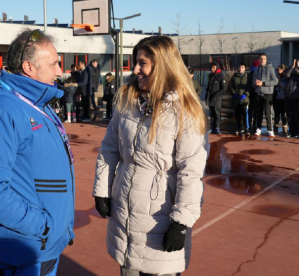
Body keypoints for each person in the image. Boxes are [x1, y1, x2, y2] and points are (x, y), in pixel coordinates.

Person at [93, 35, 208, 276]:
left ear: (162, 65)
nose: (135, 69)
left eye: (142, 63)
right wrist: (102, 189)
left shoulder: (185, 109)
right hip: (124, 207)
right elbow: (109, 148)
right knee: (128, 268)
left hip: (160, 216)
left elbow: (191, 170)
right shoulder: (128, 99)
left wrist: (181, 222)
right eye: (136, 62)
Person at [0, 29, 75, 276]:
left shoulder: (37, 103)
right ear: (29, 67)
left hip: (42, 244)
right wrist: (43, 226)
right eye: (55, 64)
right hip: (25, 245)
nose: (60, 71)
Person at [252, 53, 278, 137]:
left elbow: (275, 81)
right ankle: (258, 128)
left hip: (268, 93)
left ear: (266, 60)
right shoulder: (256, 70)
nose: (262, 60)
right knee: (258, 112)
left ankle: (270, 129)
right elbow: (253, 83)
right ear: (258, 60)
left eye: (264, 59)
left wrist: (263, 83)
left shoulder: (270, 68)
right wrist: (256, 84)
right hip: (258, 93)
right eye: (260, 59)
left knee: (268, 113)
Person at [284, 59, 299, 138]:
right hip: (288, 98)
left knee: (296, 117)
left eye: (298, 68)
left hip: (297, 100)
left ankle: (296, 132)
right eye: (296, 68)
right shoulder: (291, 76)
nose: (296, 69)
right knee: (289, 117)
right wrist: (292, 66)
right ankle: (291, 131)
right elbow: (286, 75)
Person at [206, 62, 226, 134]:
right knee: (212, 114)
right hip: (210, 99)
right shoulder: (211, 75)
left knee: (217, 114)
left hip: (217, 99)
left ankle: (217, 127)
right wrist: (207, 96)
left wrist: (216, 95)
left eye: (213, 67)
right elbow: (209, 87)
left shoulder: (221, 76)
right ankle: (213, 127)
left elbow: (224, 88)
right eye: (211, 67)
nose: (212, 69)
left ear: (216, 68)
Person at [231, 63, 251, 135]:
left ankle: (246, 128)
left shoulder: (248, 77)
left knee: (245, 114)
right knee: (237, 114)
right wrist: (233, 93)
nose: (241, 69)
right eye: (240, 67)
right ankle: (238, 127)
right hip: (236, 99)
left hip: (244, 99)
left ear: (245, 68)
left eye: (242, 67)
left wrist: (246, 94)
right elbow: (231, 86)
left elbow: (250, 87)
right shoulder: (234, 77)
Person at [274, 64, 289, 136]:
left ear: (283, 70)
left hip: (283, 98)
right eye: (277, 70)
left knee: (284, 114)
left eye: (279, 70)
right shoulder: (277, 76)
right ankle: (275, 129)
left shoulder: (286, 78)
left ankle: (284, 130)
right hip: (276, 97)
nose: (278, 71)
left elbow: (286, 87)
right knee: (276, 114)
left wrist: (279, 82)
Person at [248, 59, 259, 133]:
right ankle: (255, 126)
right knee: (256, 112)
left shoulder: (250, 73)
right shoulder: (258, 73)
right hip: (257, 94)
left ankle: (249, 125)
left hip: (250, 94)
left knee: (250, 111)